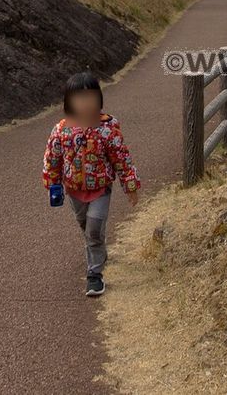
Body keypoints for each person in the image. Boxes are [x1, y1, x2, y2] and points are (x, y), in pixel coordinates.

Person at [42, 72, 140, 296]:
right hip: (74, 190)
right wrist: (52, 183)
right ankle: (97, 250)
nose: (85, 103)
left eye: (90, 97)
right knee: (86, 228)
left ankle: (94, 275)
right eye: (79, 98)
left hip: (100, 188)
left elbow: (121, 157)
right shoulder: (61, 130)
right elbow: (53, 158)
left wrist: (130, 186)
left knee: (94, 229)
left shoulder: (107, 127)